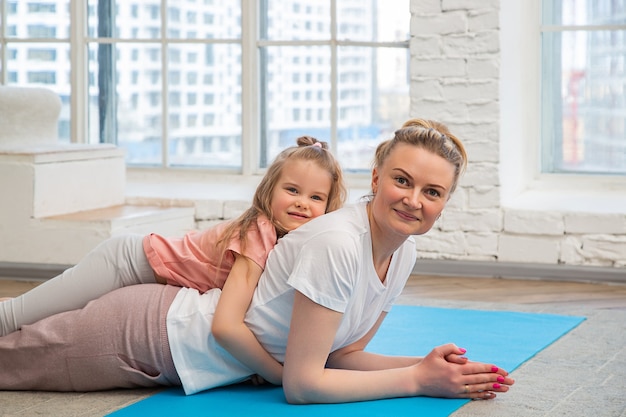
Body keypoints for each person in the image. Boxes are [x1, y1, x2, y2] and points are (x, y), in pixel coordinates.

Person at [0, 119, 515, 402]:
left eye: (433, 191)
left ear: (445, 202)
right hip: (152, 333)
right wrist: (416, 381)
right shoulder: (336, 243)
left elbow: (337, 356)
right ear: (376, 179)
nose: (413, 200)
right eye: (402, 181)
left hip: (173, 332)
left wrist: (430, 366)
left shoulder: (403, 254)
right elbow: (303, 382)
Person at [0, 136, 346, 385]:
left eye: (316, 197)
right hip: (126, 262)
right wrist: (275, 372)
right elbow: (226, 325)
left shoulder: (291, 240)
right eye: (292, 190)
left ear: (329, 208)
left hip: (148, 271)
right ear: (268, 190)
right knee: (17, 316)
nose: (303, 203)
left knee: (37, 314)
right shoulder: (259, 233)